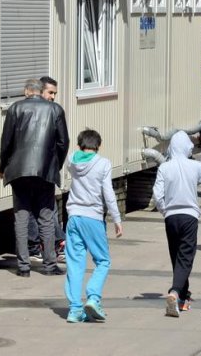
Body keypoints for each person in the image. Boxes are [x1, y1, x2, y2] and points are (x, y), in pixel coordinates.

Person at [0, 79, 70, 277]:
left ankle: (23, 267)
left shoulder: (15, 108)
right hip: (45, 171)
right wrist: (56, 165)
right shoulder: (55, 110)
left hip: (19, 171)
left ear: (26, 91)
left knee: (21, 218)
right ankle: (49, 265)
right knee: (46, 218)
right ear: (40, 92)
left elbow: (6, 142)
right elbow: (64, 142)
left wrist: (3, 167)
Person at [153, 131, 201, 317]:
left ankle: (183, 296)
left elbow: (157, 194)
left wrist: (164, 210)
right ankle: (175, 292)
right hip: (189, 216)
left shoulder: (164, 168)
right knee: (186, 256)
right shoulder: (195, 166)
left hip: (171, 217)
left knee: (176, 255)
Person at [64, 129, 123, 323]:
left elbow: (71, 155)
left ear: (80, 145)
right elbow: (108, 192)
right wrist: (117, 219)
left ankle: (74, 309)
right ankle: (93, 297)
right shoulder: (103, 163)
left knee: (74, 263)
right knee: (103, 260)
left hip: (73, 217)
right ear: (98, 146)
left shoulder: (72, 160)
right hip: (93, 217)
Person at [28, 76, 67, 263]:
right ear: (40, 91)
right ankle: (49, 244)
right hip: (33, 168)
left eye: (54, 94)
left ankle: (52, 243)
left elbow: (62, 142)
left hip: (44, 168)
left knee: (44, 208)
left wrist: (56, 164)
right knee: (42, 208)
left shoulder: (54, 111)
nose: (52, 97)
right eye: (50, 92)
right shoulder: (32, 111)